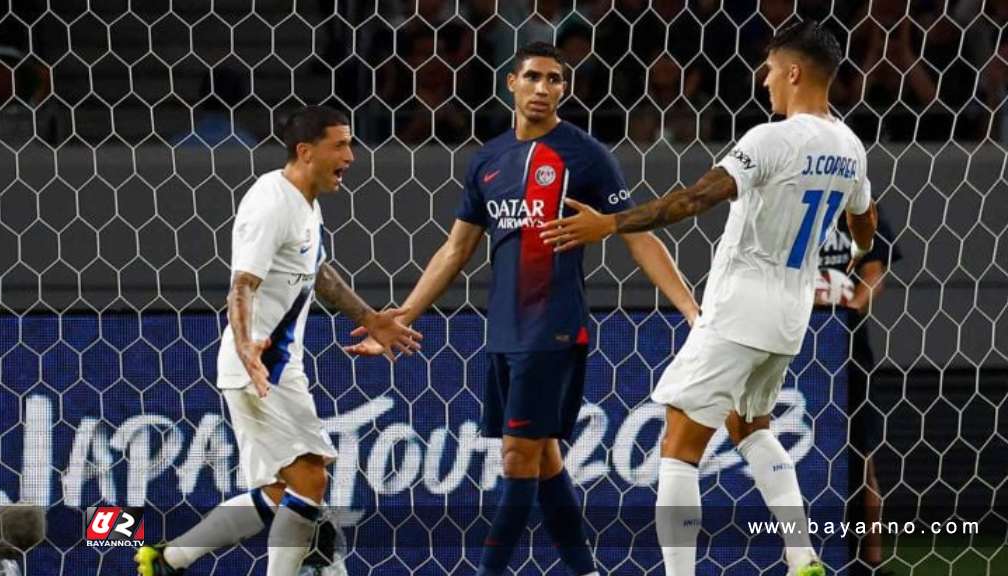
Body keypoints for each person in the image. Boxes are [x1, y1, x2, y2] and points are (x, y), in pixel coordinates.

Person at [539, 21, 879, 576]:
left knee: (679, 443)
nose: (765, 80)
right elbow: (864, 224)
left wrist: (611, 223)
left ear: (794, 72)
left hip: (741, 307)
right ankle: (802, 557)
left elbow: (696, 198)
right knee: (751, 427)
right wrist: (846, 244)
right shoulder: (849, 147)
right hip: (791, 314)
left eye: (771, 69)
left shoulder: (770, 139)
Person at [346, 42, 699, 576]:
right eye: (532, 76)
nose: (542, 88)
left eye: (554, 79)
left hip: (552, 328)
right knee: (544, 457)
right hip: (504, 331)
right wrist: (403, 317)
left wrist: (692, 312)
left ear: (565, 89)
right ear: (511, 83)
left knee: (516, 457)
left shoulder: (585, 155)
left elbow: (638, 236)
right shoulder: (488, 160)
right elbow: (456, 249)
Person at [134, 105, 422, 576]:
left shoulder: (305, 203)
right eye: (340, 145)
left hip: (278, 368)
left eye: (350, 144)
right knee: (309, 479)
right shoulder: (270, 202)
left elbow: (319, 272)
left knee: (281, 491)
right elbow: (241, 285)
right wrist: (246, 346)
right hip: (258, 367)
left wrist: (370, 318)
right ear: (306, 151)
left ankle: (166, 559)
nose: (350, 156)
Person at [816, 210, 901, 576]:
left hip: (846, 349)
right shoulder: (792, 205)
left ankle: (871, 563)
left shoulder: (862, 207)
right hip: (790, 343)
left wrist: (846, 311)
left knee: (861, 456)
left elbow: (874, 271)